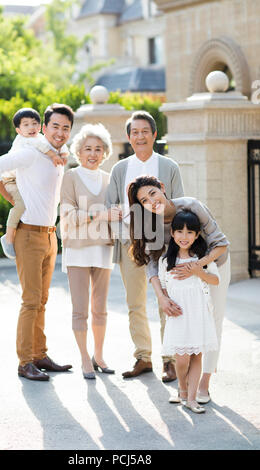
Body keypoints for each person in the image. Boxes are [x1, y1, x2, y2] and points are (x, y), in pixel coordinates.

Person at [0, 103, 74, 381]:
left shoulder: (56, 156)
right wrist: (12, 199)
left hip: (49, 235)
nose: (60, 132)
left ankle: (39, 354)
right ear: (44, 128)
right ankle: (25, 362)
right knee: (31, 301)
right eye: (54, 126)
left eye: (65, 128)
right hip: (29, 234)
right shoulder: (29, 153)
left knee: (42, 301)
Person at [128, 175, 231, 403]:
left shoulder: (191, 206)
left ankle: (204, 383)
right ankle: (186, 389)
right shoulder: (150, 224)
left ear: (162, 188)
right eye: (144, 200)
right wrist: (162, 298)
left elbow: (220, 242)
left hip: (214, 264)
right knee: (185, 321)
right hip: (182, 272)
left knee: (212, 322)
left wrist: (198, 267)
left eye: (153, 193)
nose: (151, 201)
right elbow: (152, 264)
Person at [106, 110, 184, 380]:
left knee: (167, 299)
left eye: (144, 132)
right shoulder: (119, 168)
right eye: (134, 132)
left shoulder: (169, 166)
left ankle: (171, 359)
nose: (140, 136)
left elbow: (179, 205)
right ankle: (143, 357)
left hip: (163, 242)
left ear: (154, 134)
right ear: (129, 137)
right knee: (135, 302)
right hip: (132, 242)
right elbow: (110, 205)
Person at [60, 123, 121, 379]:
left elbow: (117, 214)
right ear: (79, 151)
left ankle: (99, 355)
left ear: (105, 152)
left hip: (103, 250)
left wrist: (115, 216)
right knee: (80, 309)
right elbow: (67, 214)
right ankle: (85, 358)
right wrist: (100, 214)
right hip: (77, 250)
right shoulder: (70, 177)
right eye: (87, 149)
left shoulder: (109, 180)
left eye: (98, 149)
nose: (93, 154)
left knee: (100, 308)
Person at [158, 210, 219, 413]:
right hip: (179, 316)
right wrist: (166, 302)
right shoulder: (166, 262)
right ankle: (182, 389)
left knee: (196, 356)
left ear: (196, 235)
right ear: (173, 234)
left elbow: (215, 280)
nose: (184, 237)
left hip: (198, 315)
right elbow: (164, 288)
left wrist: (198, 271)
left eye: (189, 232)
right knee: (181, 359)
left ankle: (191, 399)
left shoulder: (202, 258)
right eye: (180, 232)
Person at [0, 107, 69, 260]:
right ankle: (8, 237)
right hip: (11, 180)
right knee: (21, 205)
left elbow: (56, 144)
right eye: (26, 125)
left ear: (40, 126)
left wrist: (63, 153)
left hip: (21, 180)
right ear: (18, 130)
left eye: (34, 123)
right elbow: (43, 147)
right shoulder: (24, 141)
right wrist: (53, 155)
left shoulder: (38, 138)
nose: (31, 127)